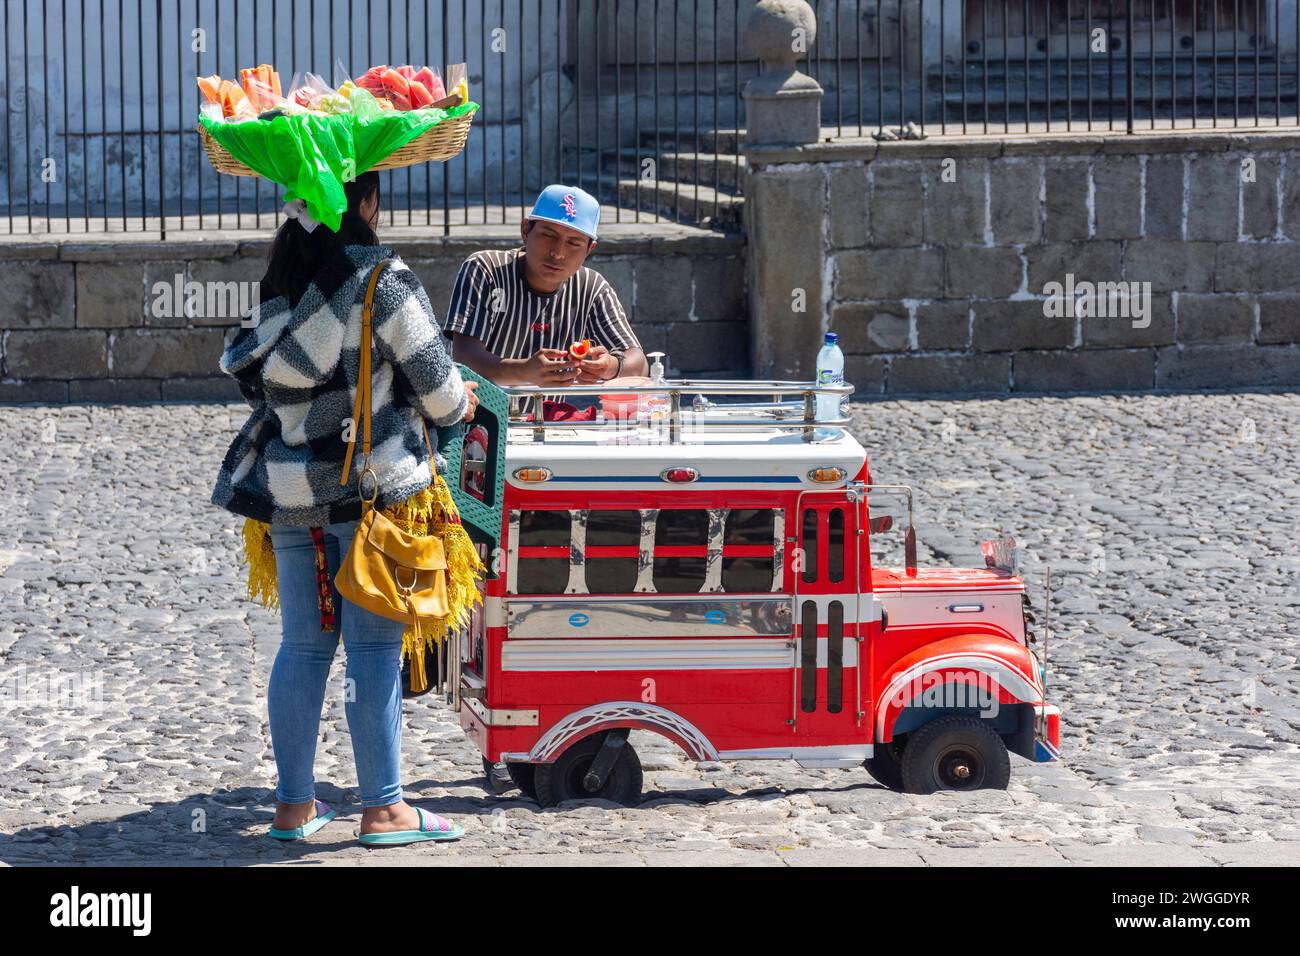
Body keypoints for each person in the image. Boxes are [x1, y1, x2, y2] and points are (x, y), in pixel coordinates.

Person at [210, 171, 479, 846]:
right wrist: (460, 404)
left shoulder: (278, 287)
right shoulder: (381, 281)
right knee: (373, 653)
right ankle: (386, 808)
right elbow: (443, 397)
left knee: (302, 647)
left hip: (293, 496)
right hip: (371, 498)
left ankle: (294, 807)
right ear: (365, 203)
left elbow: (260, 387)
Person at [444, 184, 647, 390]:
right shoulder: (487, 270)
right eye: (548, 235)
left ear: (589, 249)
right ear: (525, 230)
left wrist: (610, 366)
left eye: (574, 243)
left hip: (549, 419)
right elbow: (464, 358)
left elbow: (639, 363)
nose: (558, 253)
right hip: (481, 416)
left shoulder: (591, 288)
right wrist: (524, 371)